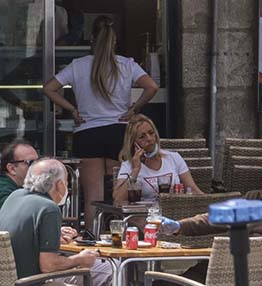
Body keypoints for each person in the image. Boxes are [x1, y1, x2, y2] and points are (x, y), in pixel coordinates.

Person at [42, 16, 158, 232]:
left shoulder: (78, 66)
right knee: (120, 193)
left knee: (93, 195)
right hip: (119, 132)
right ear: (114, 41)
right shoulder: (126, 64)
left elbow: (48, 88)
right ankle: (121, 238)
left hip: (88, 133)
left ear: (92, 38)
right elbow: (151, 86)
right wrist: (133, 109)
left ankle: (93, 240)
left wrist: (72, 109)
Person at [163, 159, 262, 275]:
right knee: (198, 272)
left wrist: (260, 257)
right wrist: (179, 226)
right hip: (237, 267)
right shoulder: (254, 199)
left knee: (207, 275)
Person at [0, 159, 111, 286]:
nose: (67, 187)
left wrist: (53, 234)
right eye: (66, 181)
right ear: (59, 184)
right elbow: (48, 265)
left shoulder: (15, 197)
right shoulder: (49, 208)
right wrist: (80, 259)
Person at [113, 116, 202, 203]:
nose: (149, 138)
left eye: (151, 133)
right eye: (142, 137)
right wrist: (135, 170)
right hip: (144, 214)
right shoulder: (129, 165)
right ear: (133, 143)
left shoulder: (173, 158)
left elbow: (193, 190)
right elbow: (118, 199)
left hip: (173, 211)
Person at [0, 140, 40, 211]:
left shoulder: (19, 188)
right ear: (12, 169)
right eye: (31, 162)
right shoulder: (5, 191)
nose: (38, 167)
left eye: (38, 162)